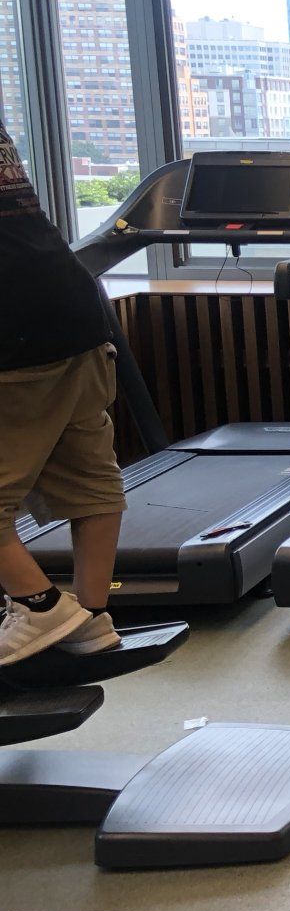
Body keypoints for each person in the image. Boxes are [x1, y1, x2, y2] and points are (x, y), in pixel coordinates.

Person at [0, 120, 124, 663]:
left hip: (11, 332)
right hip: (74, 307)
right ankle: (91, 620)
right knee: (87, 476)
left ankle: (41, 608)